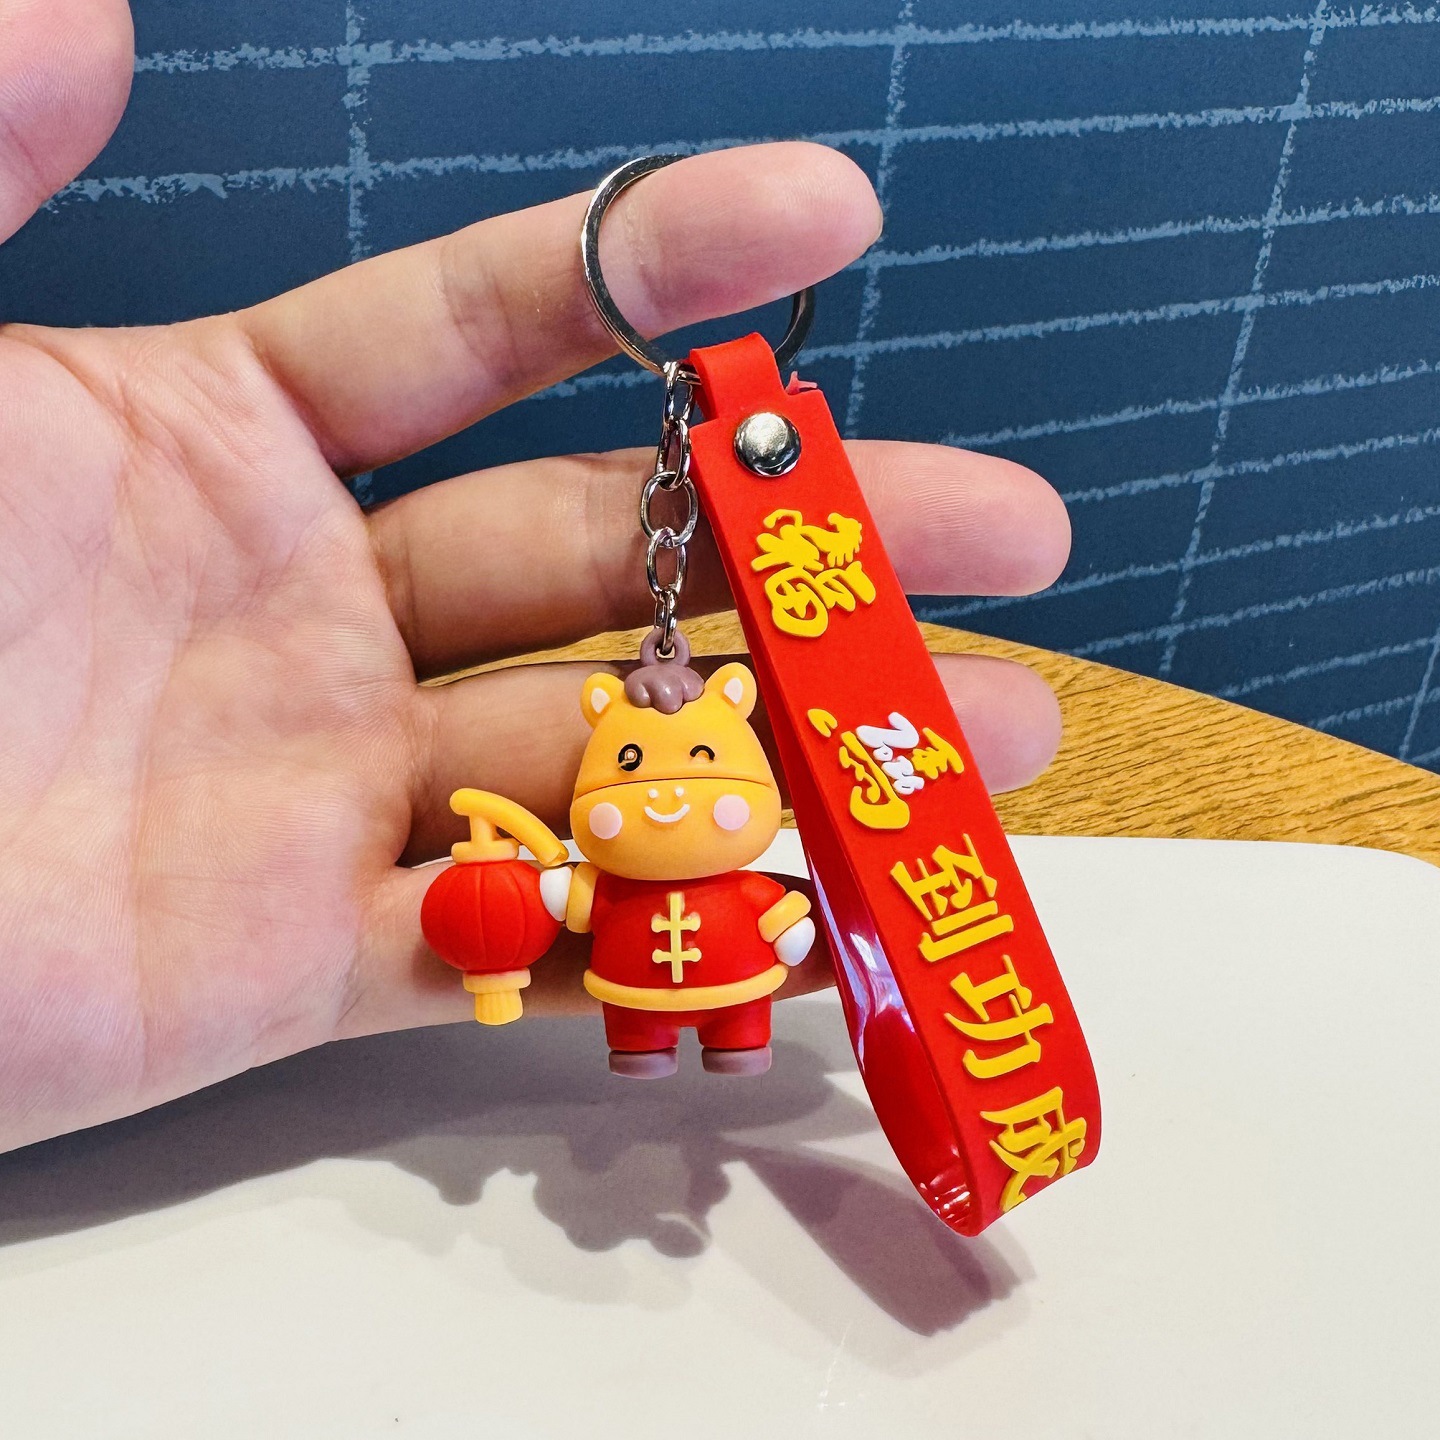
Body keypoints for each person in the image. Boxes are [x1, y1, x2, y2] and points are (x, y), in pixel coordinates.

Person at [0, 0, 1071, 1152]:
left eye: (691, 766)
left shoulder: (729, 870)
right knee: (641, 1026)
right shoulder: (616, 867)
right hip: (628, 989)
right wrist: (524, 886)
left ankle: (736, 1037)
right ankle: (650, 1044)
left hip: (730, 979)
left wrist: (797, 929)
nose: (666, 795)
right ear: (604, 727)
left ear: (742, 724)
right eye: (636, 765)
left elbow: (776, 919)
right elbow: (562, 897)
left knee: (750, 1003)